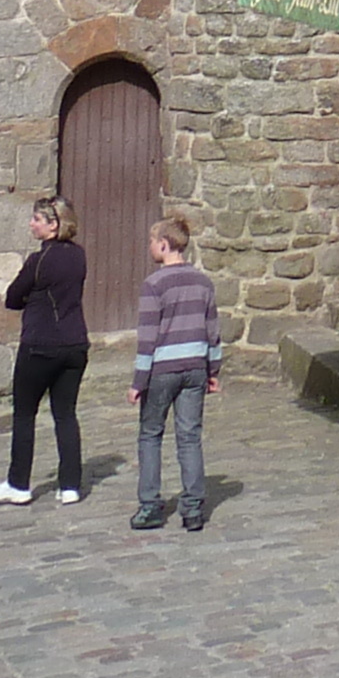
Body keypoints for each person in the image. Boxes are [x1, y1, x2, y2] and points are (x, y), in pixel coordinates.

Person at [0, 195, 88, 506]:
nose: (32, 224)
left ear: (54, 224)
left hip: (40, 345)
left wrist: (30, 299)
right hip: (74, 344)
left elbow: (12, 296)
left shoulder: (39, 261)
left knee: (24, 414)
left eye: (38, 219)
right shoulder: (79, 256)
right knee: (65, 414)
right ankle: (70, 485)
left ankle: (19, 484)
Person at [127, 213, 221, 534]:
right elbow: (213, 332)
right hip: (195, 367)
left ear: (164, 245)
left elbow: (147, 338)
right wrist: (213, 370)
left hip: (162, 371)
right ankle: (193, 509)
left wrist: (138, 382)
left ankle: (150, 506)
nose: (150, 247)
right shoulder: (203, 282)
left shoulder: (154, 285)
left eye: (152, 242)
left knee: (151, 435)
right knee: (189, 436)